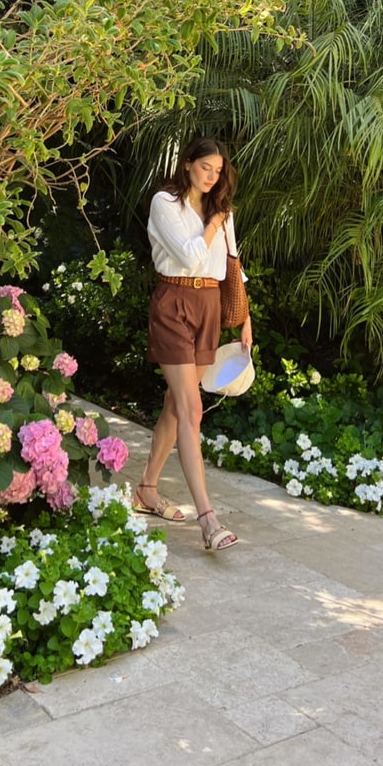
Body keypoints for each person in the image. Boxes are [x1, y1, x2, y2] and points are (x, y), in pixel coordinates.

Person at [134, 136, 252, 550]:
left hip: (210, 307)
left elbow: (232, 264)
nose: (212, 176)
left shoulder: (221, 211)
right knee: (191, 407)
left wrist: (244, 318)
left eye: (218, 171)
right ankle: (208, 519)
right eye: (206, 168)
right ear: (188, 164)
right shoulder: (165, 204)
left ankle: (147, 489)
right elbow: (188, 257)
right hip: (174, 304)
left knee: (175, 403)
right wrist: (215, 223)